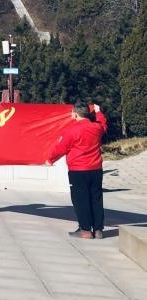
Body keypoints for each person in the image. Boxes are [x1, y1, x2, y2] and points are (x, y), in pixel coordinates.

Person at [48, 102, 108, 238]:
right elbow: (103, 125)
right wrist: (98, 112)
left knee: (81, 200)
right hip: (96, 169)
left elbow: (60, 148)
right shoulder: (96, 128)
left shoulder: (72, 130)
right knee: (96, 198)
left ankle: (85, 230)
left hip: (78, 170)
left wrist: (50, 159)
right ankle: (98, 229)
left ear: (75, 114)